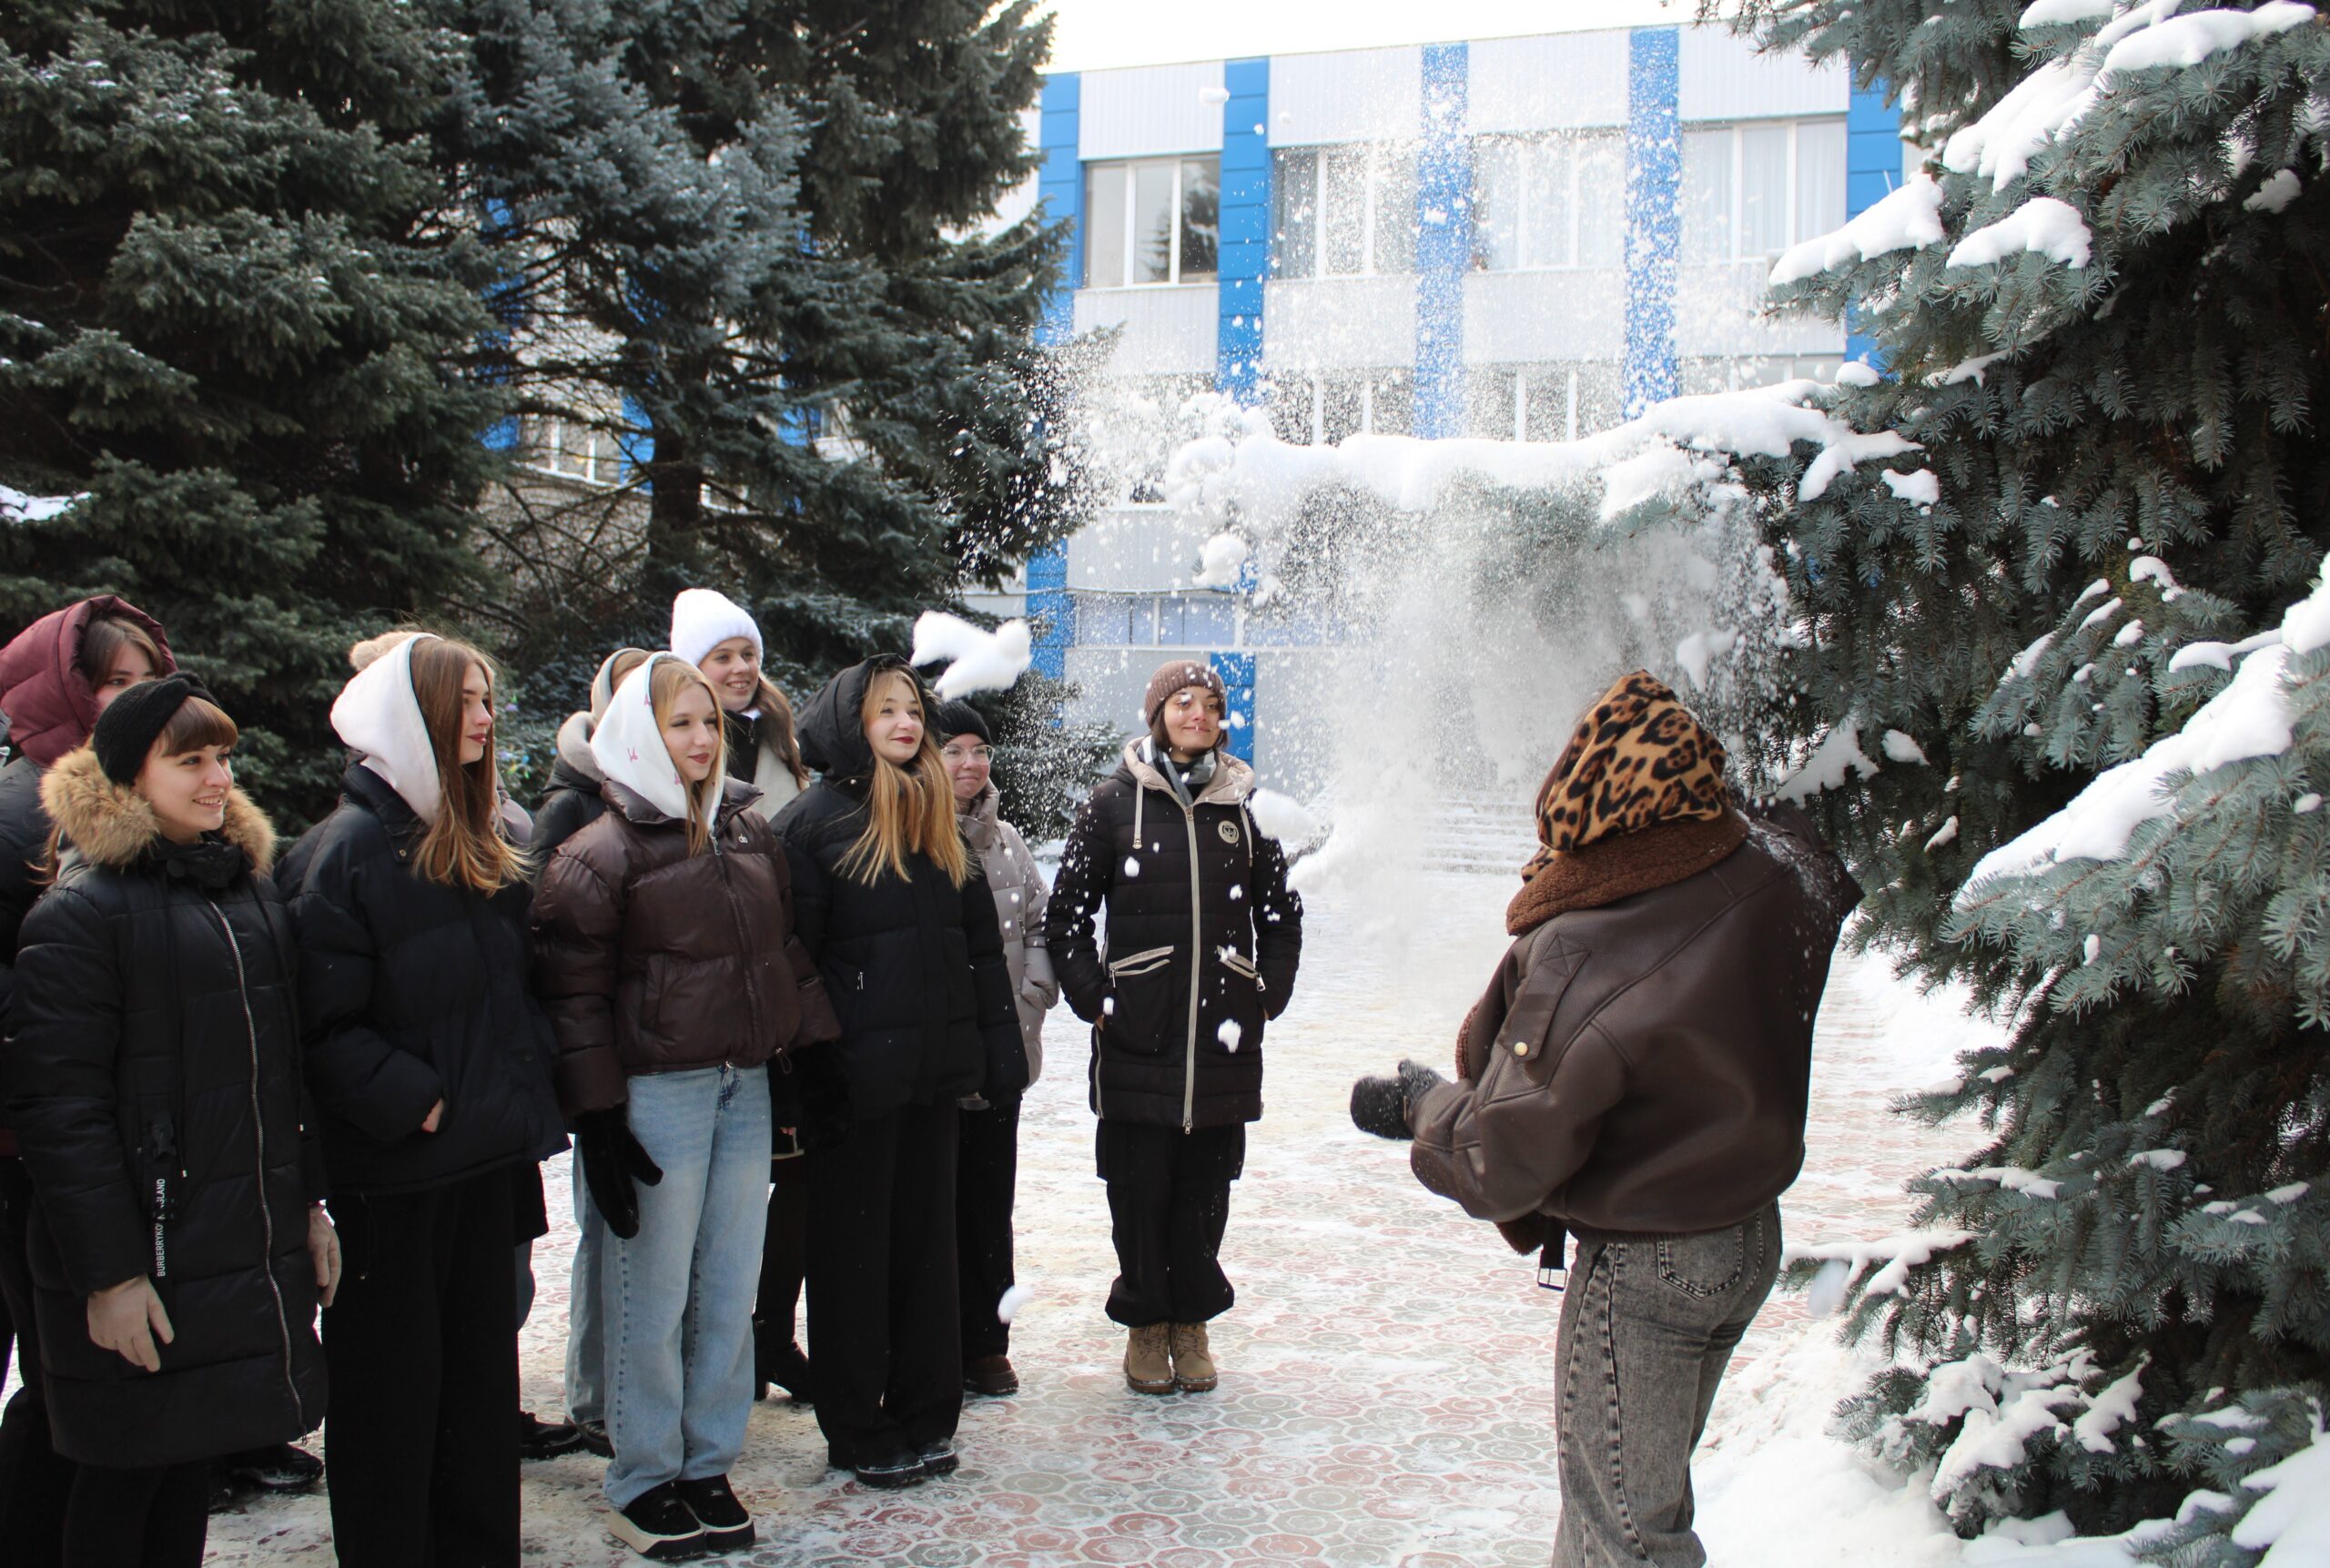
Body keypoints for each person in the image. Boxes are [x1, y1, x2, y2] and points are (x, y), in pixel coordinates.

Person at [1349, 671, 1861, 1568]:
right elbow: (1818, 866)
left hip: (1649, 1263)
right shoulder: (1766, 870)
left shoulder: (1586, 946)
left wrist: (1422, 1103)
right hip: (1744, 1236)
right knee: (1623, 1515)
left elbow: (1501, 1156)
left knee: (1621, 1538)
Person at [5, 676, 333, 1568]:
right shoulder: (80, 915)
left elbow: (279, 1084)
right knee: (120, 1488)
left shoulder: (245, 897)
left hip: (224, 1254)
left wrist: (308, 1207)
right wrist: (109, 1276)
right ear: (127, 774)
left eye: (223, 756)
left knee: (186, 1472)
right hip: (140, 1259)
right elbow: (58, 1116)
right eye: (189, 760)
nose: (218, 777)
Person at [532, 653, 838, 1558]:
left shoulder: (746, 832)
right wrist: (596, 1119)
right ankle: (643, 1473)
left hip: (742, 1086)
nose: (701, 740)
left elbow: (780, 950)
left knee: (728, 1284)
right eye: (681, 723)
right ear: (639, 732)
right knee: (652, 1291)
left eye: (708, 722)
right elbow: (572, 1000)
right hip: (655, 1097)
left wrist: (808, 1056)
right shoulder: (597, 852)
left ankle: (708, 1460)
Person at [278, 632, 567, 1568]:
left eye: (487, 699)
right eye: (468, 701)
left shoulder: (472, 840)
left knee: (477, 1389)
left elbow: (507, 994)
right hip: (396, 1178)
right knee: (392, 1398)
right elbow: (322, 1026)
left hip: (483, 1163)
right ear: (417, 717)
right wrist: (416, 1102)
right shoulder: (349, 851)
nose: (486, 718)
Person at [773, 655, 1020, 1489]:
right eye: (886, 711)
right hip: (855, 1086)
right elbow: (791, 962)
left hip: (933, 1079)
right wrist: (812, 1080)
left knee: (926, 1252)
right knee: (853, 1259)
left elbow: (981, 952)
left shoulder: (937, 816)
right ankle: (856, 1422)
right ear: (852, 722)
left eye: (912, 708)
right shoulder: (811, 824)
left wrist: (998, 1057)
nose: (906, 723)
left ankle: (925, 1407)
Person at [1045, 661, 1303, 1398]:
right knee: (1137, 1188)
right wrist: (1098, 998)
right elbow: (1064, 917)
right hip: (1138, 1040)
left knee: (1206, 1190)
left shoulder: (1244, 814)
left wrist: (1267, 993)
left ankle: (1191, 1322)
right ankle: (1145, 1323)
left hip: (1222, 1042)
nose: (1197, 714)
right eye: (1183, 702)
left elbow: (1280, 916)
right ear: (1158, 714)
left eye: (1210, 704)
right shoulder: (1112, 806)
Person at [0, 596, 172, 1564]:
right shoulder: (25, 811)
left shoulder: (152, 802)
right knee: (74, 1384)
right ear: (60, 692)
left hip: (120, 1143)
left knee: (94, 1390)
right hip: (40, 1148)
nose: (126, 698)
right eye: (107, 679)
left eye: (142, 677)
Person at [667, 591, 819, 1401]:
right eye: (721, 656)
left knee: (791, 1179)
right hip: (710, 1001)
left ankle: (770, 1336)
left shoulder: (780, 740)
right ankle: (703, 1353)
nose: (738, 669)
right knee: (711, 1198)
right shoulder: (673, 748)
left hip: (779, 982)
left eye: (747, 655)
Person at [530, 644, 650, 1459]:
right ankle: (594, 1395)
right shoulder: (571, 806)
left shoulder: (681, 798)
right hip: (605, 1052)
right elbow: (551, 947)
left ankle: (640, 1388)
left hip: (666, 1048)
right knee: (606, 1228)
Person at [933, 701, 1058, 1399]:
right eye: (954, 750)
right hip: (937, 1060)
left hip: (1000, 1051)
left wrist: (1035, 991)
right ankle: (935, 1341)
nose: (971, 763)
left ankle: (986, 1340)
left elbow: (1040, 919)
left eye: (979, 750)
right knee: (933, 1203)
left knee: (989, 1200)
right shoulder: (914, 833)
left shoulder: (1004, 838)